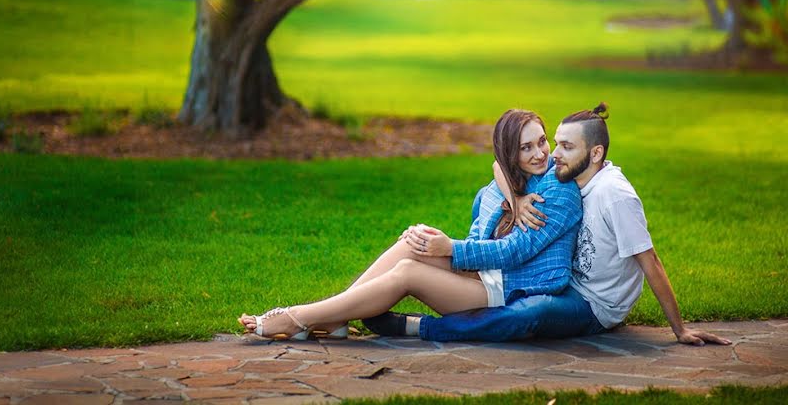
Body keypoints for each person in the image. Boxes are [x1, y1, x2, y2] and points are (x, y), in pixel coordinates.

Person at [367, 103, 731, 347]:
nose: (552, 153)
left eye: (564, 146)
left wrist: (680, 330)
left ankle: (421, 327)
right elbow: (501, 163)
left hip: (593, 303)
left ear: (595, 154)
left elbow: (650, 261)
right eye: (553, 142)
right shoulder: (569, 176)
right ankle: (349, 307)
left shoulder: (616, 196)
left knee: (531, 313)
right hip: (561, 278)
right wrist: (516, 201)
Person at [238, 109, 582, 339]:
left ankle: (300, 317)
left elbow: (514, 252)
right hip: (484, 273)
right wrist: (513, 199)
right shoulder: (514, 177)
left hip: (507, 291)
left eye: (542, 142)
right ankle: (335, 316)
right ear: (510, 154)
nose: (541, 153)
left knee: (407, 271)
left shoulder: (558, 188)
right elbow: (497, 169)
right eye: (526, 148)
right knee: (414, 240)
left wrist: (450, 249)